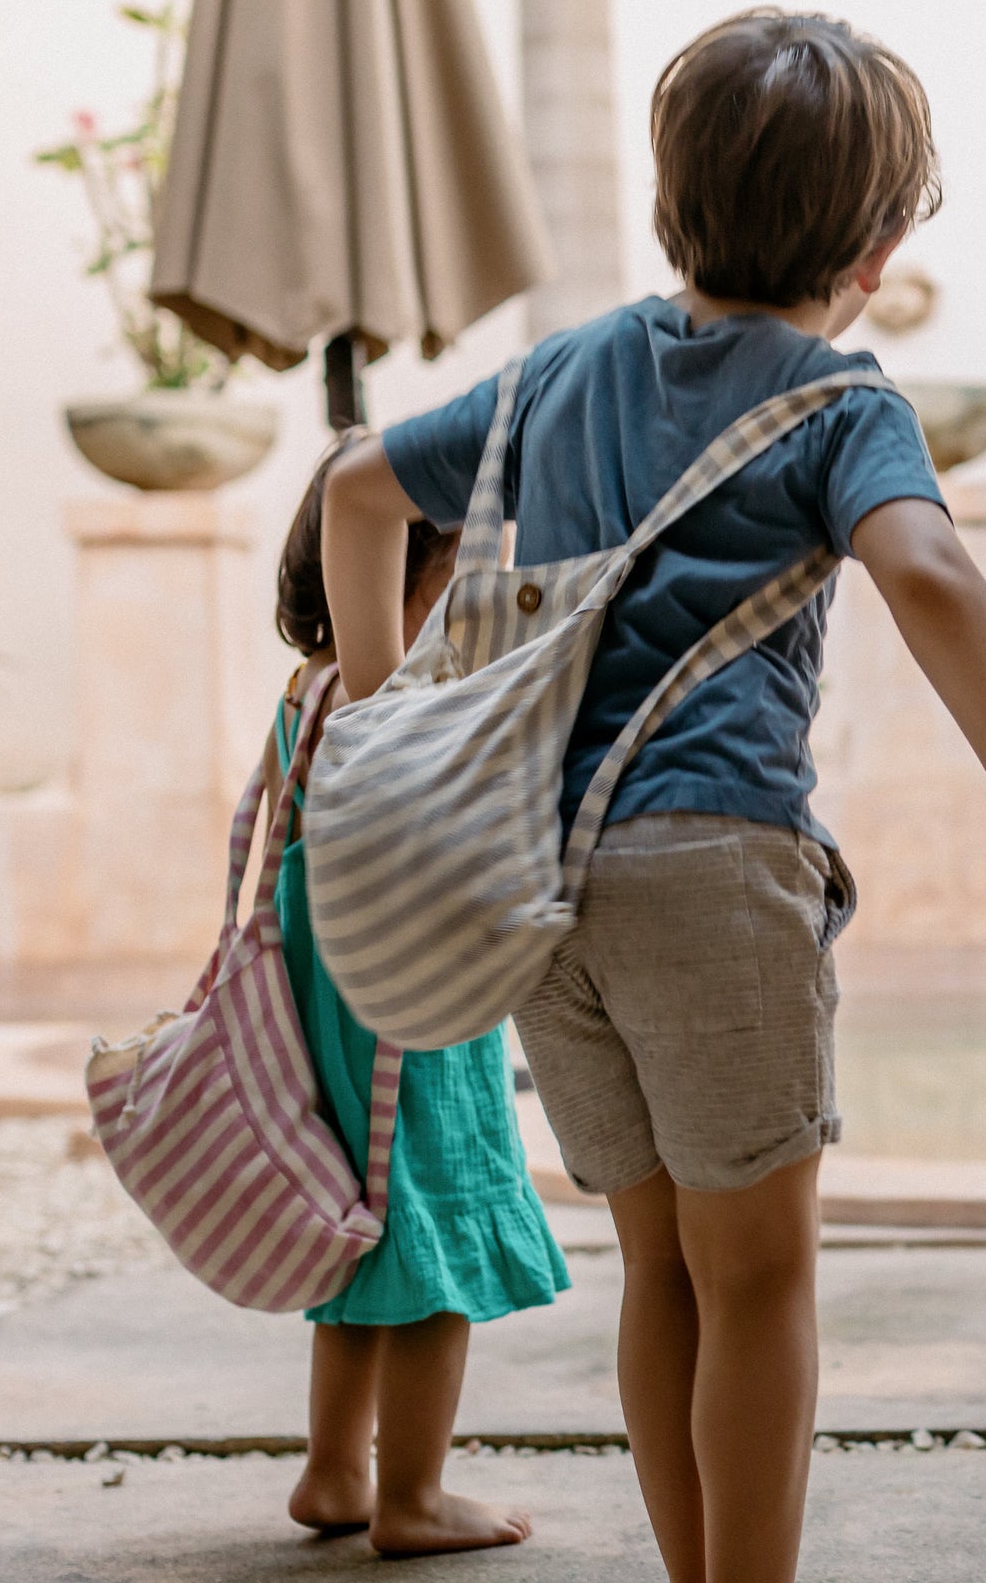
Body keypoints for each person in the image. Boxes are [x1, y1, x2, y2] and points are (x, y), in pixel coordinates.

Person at [317, 10, 986, 1583]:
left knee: (660, 1271)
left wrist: (375, 709)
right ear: (883, 240)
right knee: (759, 1276)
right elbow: (935, 581)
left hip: (526, 873)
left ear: (665, 194)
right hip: (711, 863)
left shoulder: (559, 373)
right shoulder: (842, 408)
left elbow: (359, 487)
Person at [269, 439, 570, 1556]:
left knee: (365, 1229)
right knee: (434, 1225)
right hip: (408, 1001)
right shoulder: (388, 692)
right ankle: (413, 1495)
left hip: (329, 1000)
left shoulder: (308, 692)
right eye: (450, 562)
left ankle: (337, 1469)